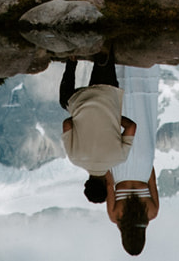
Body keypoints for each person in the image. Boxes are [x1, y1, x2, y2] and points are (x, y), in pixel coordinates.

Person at [59, 55, 135, 204]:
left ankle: (104, 56)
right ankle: (72, 60)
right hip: (80, 101)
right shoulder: (75, 158)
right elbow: (67, 124)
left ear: (107, 185)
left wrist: (112, 117)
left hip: (107, 95)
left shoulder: (120, 158)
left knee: (105, 62)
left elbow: (131, 127)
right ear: (86, 184)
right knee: (64, 101)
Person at [106, 63, 161, 255]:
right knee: (117, 117)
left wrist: (145, 159)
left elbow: (152, 180)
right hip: (119, 169)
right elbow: (108, 185)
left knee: (143, 116)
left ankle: (139, 71)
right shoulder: (116, 216)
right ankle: (117, 70)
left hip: (143, 165)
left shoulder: (151, 213)